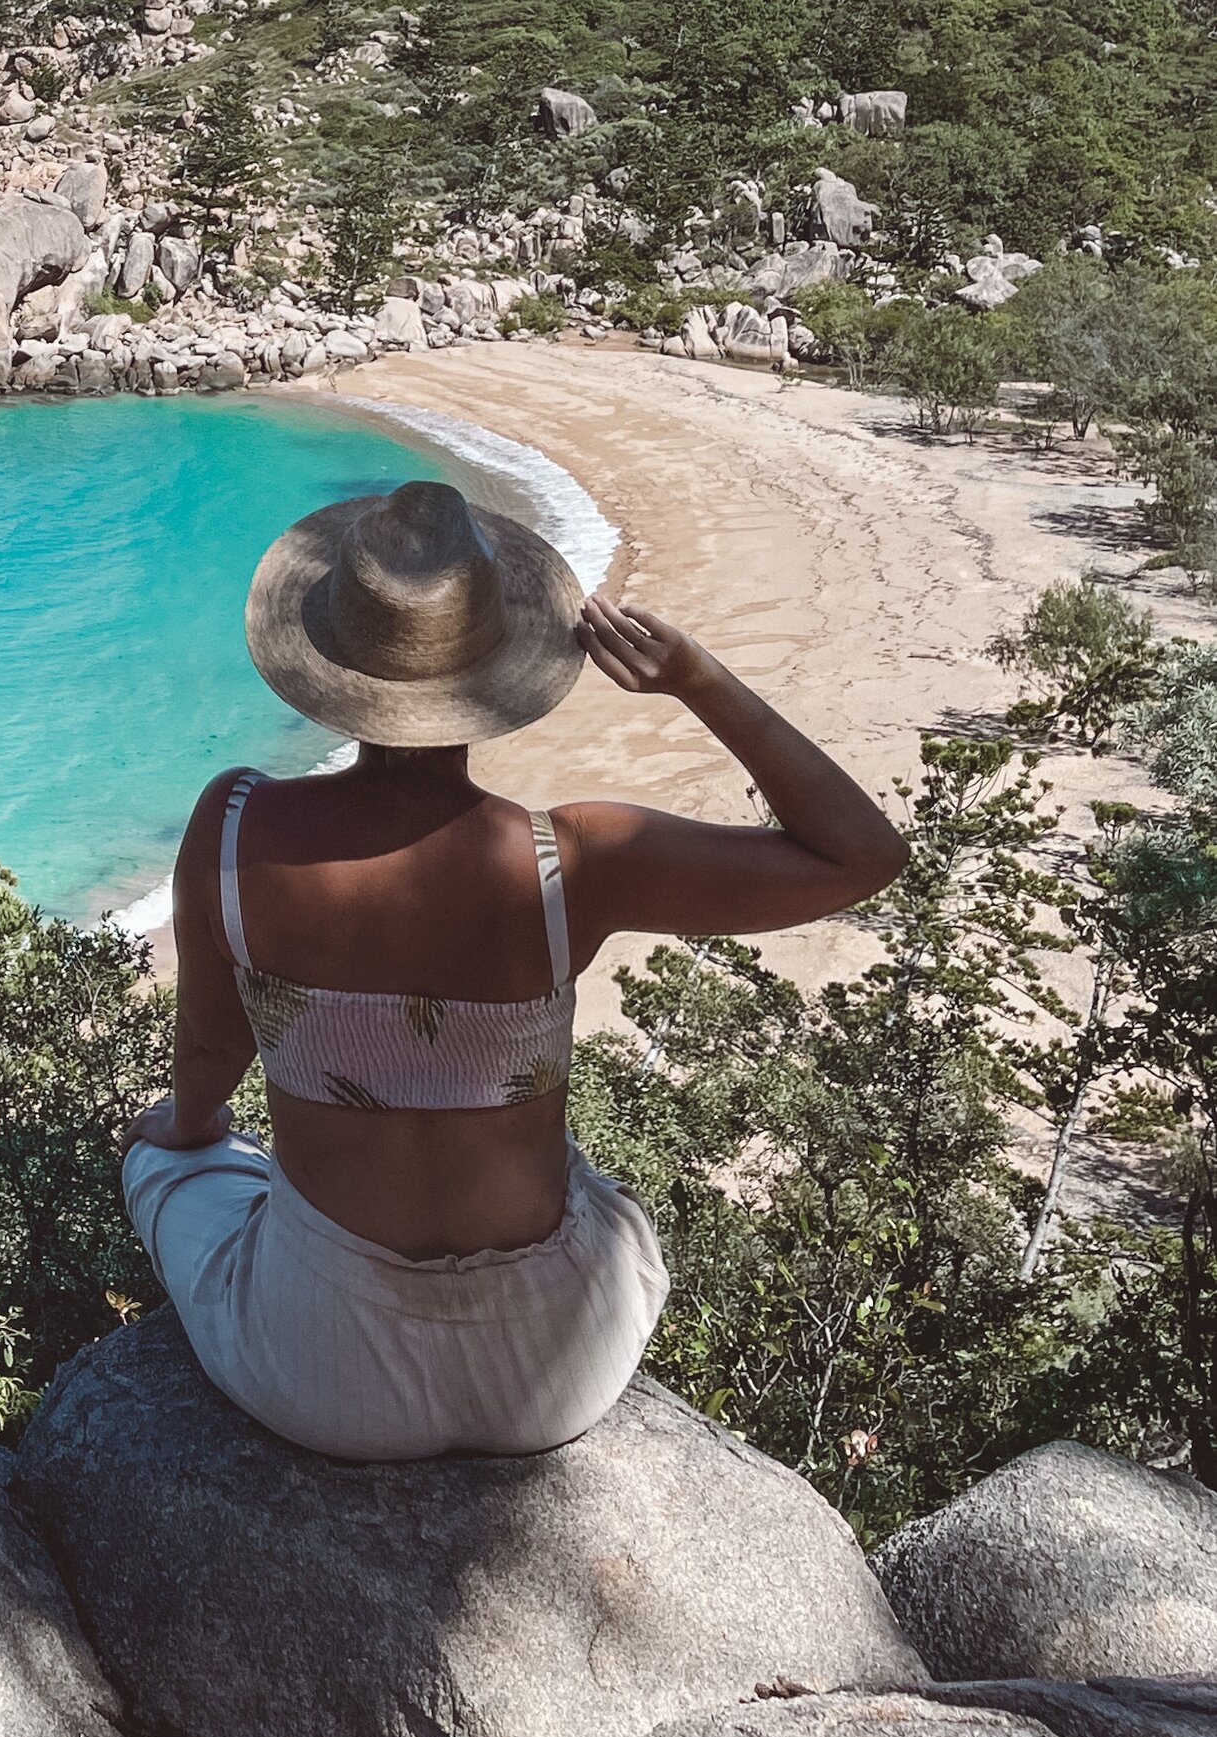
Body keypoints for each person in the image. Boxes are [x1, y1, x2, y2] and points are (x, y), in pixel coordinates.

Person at [117, 477, 905, 1460]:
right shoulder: (571, 863)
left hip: (325, 1378)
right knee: (591, 1192)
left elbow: (207, 1050)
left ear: (326, 660)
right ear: (500, 671)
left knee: (169, 1163)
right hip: (558, 1370)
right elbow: (861, 857)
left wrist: (186, 1136)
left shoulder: (236, 831)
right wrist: (697, 679)